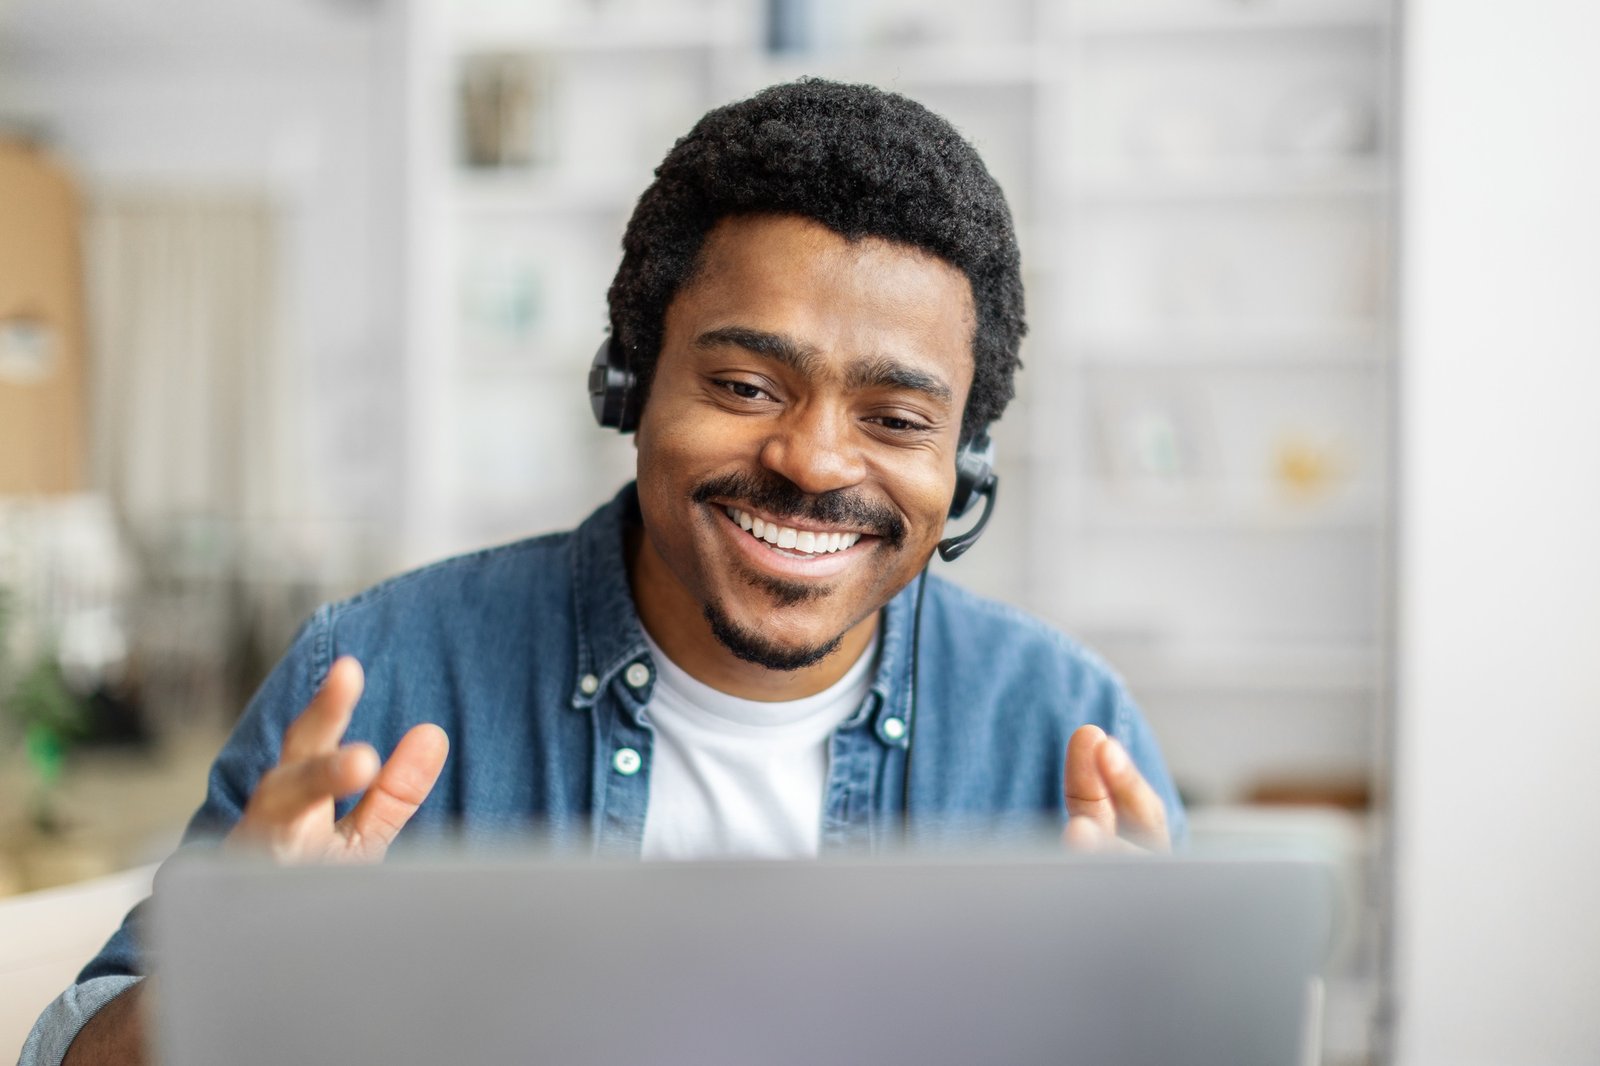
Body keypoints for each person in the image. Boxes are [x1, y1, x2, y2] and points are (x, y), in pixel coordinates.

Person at [22, 78, 1184, 1066]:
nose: (814, 459)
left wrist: (1145, 1022)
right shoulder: (382, 678)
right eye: (744, 386)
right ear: (628, 388)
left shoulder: (1065, 731)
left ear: (962, 464)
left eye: (894, 416)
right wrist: (236, 969)